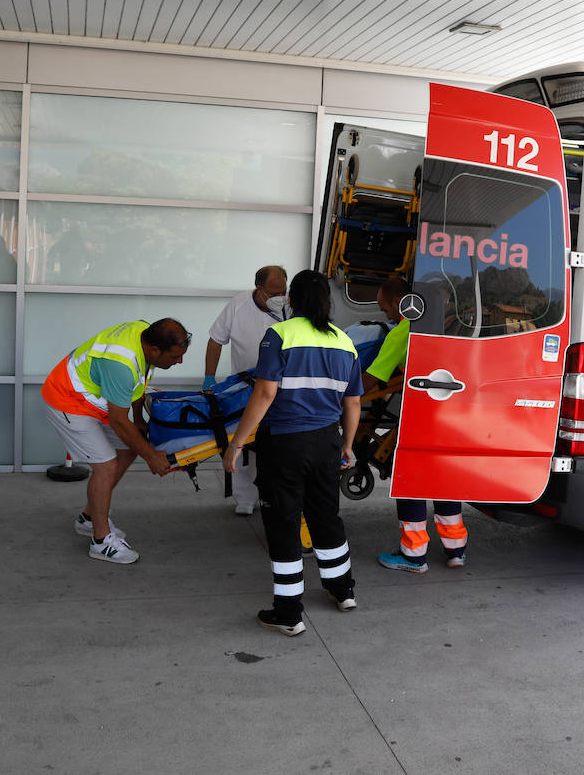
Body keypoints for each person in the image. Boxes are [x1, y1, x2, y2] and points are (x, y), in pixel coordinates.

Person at [222, 270, 361, 635]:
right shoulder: (345, 342)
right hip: (326, 442)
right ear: (328, 302)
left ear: (293, 300)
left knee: (284, 522)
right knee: (325, 516)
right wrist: (347, 444)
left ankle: (288, 612)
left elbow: (265, 394)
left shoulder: (279, 335)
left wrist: (236, 444)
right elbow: (353, 403)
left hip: (284, 443)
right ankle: (342, 590)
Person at [40, 318, 191, 565]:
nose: (179, 361)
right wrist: (151, 456)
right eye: (175, 357)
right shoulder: (120, 364)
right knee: (106, 465)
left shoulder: (145, 333)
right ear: (154, 350)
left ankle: (89, 518)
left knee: (129, 448)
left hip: (92, 399)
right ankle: (100, 542)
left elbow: (140, 380)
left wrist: (140, 420)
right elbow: (120, 421)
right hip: (66, 399)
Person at [363, 275, 469, 574]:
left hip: (421, 417)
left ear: (400, 302)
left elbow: (373, 378)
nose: (385, 314)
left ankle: (413, 555)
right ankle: (455, 550)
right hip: (455, 417)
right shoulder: (452, 326)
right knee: (446, 479)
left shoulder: (404, 331)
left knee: (411, 481)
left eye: (385, 308)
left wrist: (343, 397)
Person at [204, 265, 290, 514]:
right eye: (273, 292)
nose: (279, 297)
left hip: (279, 385)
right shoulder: (239, 304)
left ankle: (273, 494)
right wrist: (210, 377)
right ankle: (245, 497)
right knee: (241, 439)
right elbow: (215, 339)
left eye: (283, 290)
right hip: (243, 385)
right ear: (259, 289)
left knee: (275, 443)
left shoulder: (290, 306)